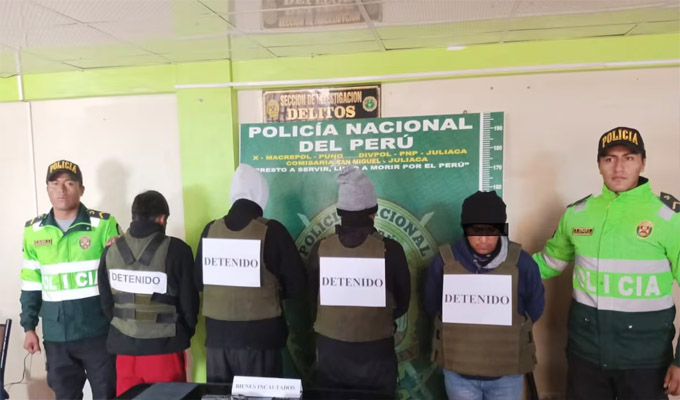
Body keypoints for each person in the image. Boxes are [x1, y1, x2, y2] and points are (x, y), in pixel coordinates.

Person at [534, 127, 680, 399]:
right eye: (609, 159)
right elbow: (548, 262)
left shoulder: (670, 218)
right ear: (599, 165)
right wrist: (499, 267)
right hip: (585, 357)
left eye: (629, 158)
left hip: (646, 361)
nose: (619, 167)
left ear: (643, 163)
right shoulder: (578, 214)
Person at [424, 190, 545, 400]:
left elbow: (534, 308)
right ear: (464, 228)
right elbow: (432, 305)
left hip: (506, 373)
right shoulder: (444, 262)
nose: (483, 239)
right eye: (475, 231)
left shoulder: (522, 264)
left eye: (491, 230)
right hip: (459, 372)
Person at [195, 164, 307, 383]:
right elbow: (297, 285)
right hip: (260, 340)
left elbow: (199, 282)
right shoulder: (272, 231)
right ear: (261, 193)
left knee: (220, 396)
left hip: (218, 340)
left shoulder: (210, 230)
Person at [20, 160, 119, 399]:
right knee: (65, 396)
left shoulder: (103, 224)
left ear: (81, 189)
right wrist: (29, 327)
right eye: (54, 184)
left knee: (107, 394)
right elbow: (31, 283)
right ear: (47, 189)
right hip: (57, 335)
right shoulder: (33, 231)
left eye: (69, 183)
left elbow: (120, 277)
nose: (61, 190)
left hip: (98, 331)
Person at [307, 166, 411, 395]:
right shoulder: (391, 249)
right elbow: (403, 303)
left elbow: (312, 299)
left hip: (330, 351)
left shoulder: (320, 248)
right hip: (375, 351)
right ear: (373, 213)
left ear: (341, 213)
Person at [98, 190, 199, 395]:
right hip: (164, 349)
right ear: (162, 219)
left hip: (125, 351)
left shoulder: (110, 251)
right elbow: (190, 303)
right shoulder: (178, 250)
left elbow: (106, 302)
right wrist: (181, 334)